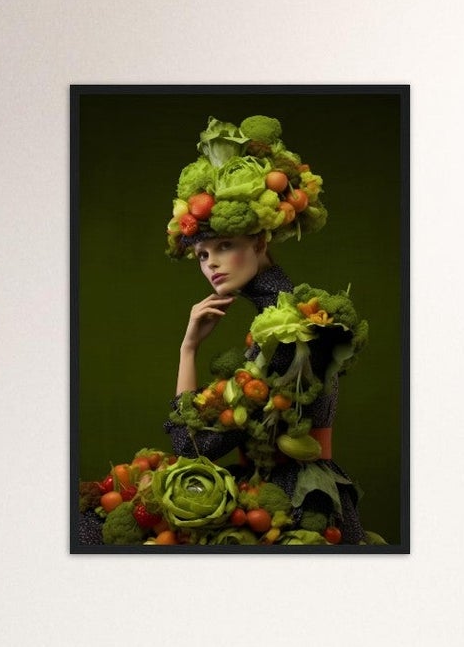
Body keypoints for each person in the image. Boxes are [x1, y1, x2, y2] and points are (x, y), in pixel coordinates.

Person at [78, 114, 373, 547]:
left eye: (225, 247)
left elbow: (190, 446)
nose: (211, 263)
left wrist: (188, 350)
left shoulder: (289, 329)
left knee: (88, 528)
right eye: (201, 254)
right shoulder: (278, 311)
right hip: (268, 489)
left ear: (259, 243)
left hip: (297, 504)